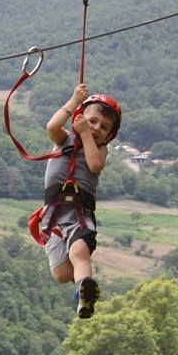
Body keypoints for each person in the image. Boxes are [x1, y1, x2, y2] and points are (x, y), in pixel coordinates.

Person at [40, 83, 121, 318]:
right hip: (54, 213)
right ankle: (78, 283)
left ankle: (84, 294)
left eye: (103, 127)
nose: (96, 129)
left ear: (109, 135)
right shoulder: (63, 140)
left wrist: (85, 133)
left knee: (79, 253)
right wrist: (75, 101)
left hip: (78, 212)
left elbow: (94, 164)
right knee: (62, 274)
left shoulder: (100, 149)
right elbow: (52, 126)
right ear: (80, 118)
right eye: (92, 121)